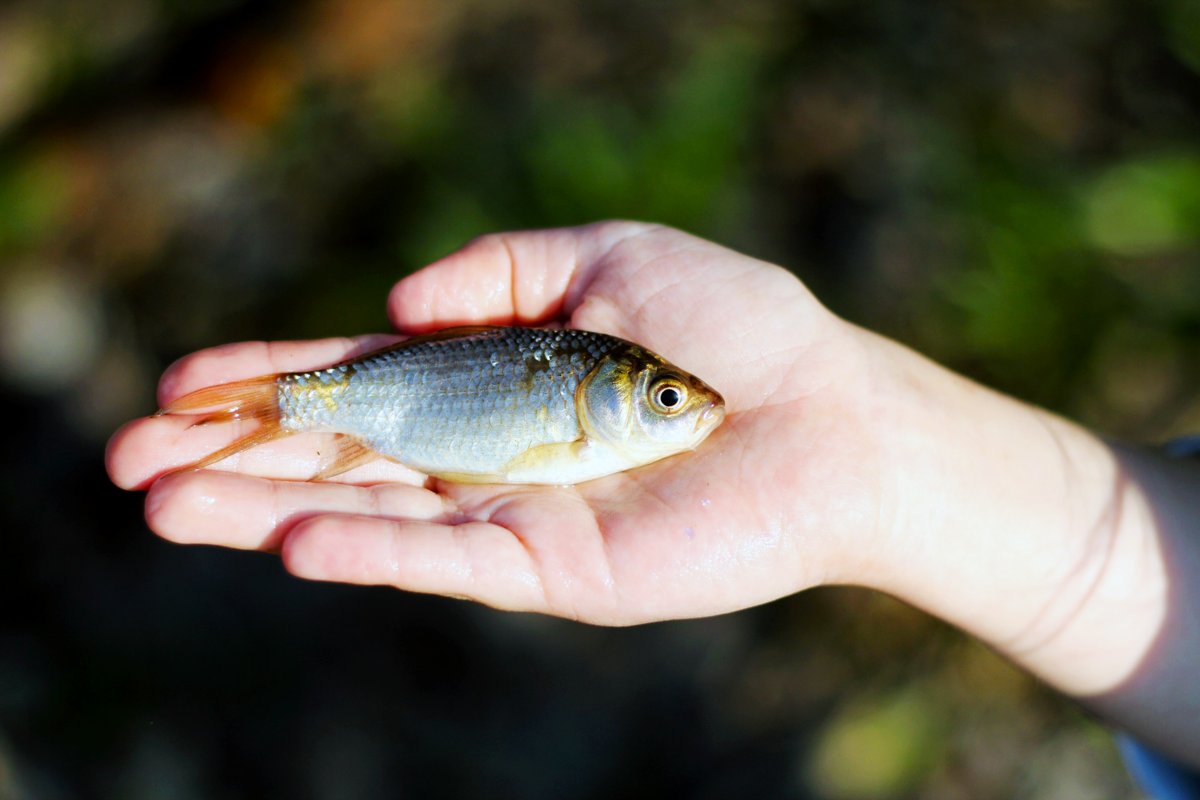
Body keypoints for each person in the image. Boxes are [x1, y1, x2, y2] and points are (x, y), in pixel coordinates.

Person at [106, 222, 1200, 781]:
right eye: (666, 398)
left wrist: (880, 462)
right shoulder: (574, 401)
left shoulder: (599, 401)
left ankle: (270, 407)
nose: (689, 408)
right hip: (393, 403)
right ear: (615, 390)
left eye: (669, 394)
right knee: (290, 417)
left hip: (403, 410)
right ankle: (268, 407)